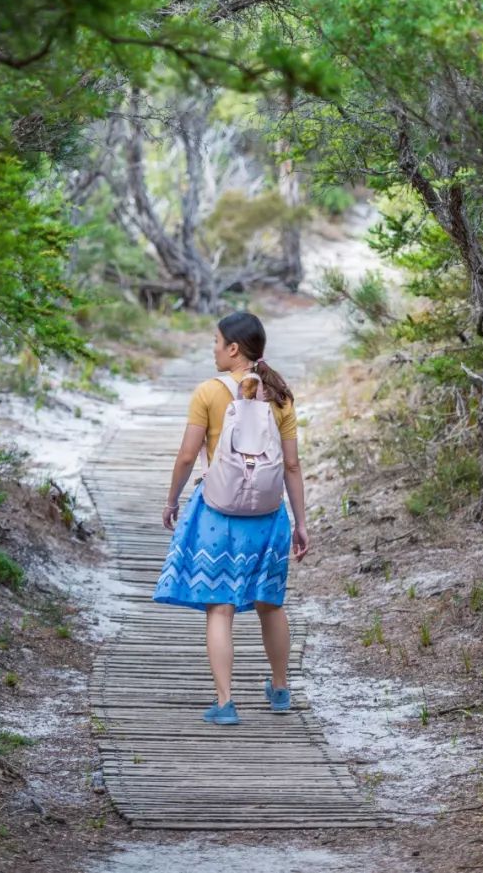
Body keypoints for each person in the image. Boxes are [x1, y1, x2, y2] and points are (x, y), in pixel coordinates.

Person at [152, 309, 309, 725]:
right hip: (269, 515)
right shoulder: (280, 394)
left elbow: (188, 455)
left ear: (233, 348)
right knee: (270, 604)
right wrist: (301, 522)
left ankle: (225, 703)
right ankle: (279, 690)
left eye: (217, 342)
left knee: (219, 608)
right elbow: (291, 466)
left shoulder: (208, 392)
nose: (214, 349)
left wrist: (171, 500)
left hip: (218, 514)